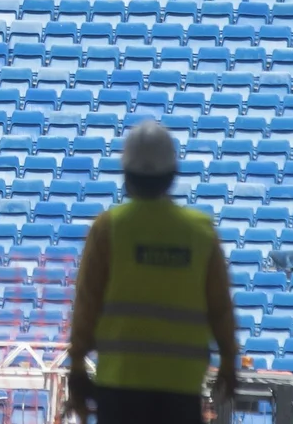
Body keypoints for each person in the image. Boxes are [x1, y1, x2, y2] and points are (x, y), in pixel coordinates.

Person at [64, 120, 240, 424]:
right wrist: (228, 361)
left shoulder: (108, 228)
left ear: (127, 175)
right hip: (181, 390)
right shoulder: (200, 233)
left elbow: (86, 304)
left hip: (119, 388)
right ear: (172, 174)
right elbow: (220, 308)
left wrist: (77, 365)